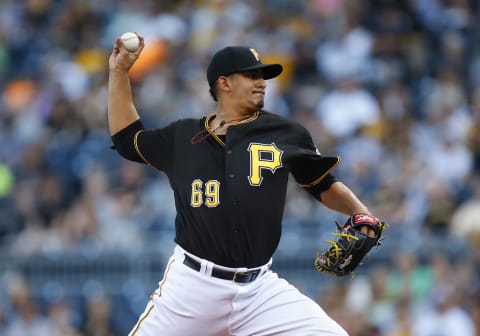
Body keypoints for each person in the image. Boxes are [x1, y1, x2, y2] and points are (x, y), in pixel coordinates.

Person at [108, 33, 378, 336]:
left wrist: (360, 211)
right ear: (224, 83)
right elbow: (127, 140)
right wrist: (119, 72)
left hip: (259, 292)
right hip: (193, 288)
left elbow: (321, 184)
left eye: (263, 76)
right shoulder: (182, 138)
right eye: (252, 76)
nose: (262, 82)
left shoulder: (285, 132)